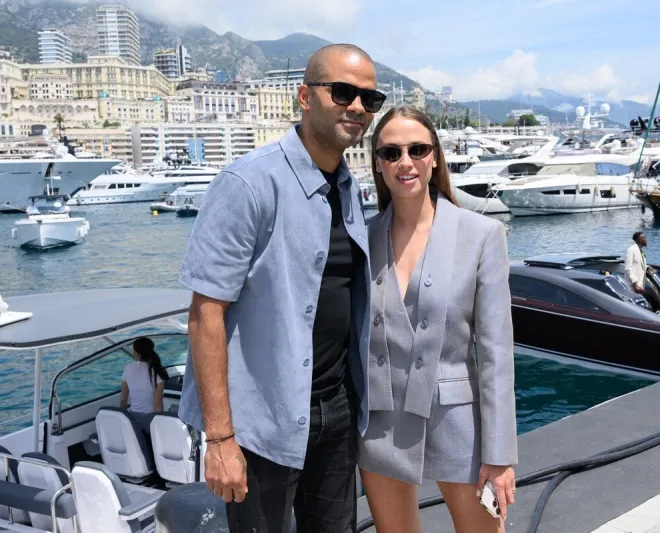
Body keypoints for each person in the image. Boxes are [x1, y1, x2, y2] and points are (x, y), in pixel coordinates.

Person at [178, 44, 384, 533]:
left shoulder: (348, 188)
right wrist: (220, 439)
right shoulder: (248, 184)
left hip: (336, 407)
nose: (357, 107)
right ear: (305, 97)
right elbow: (206, 314)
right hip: (260, 421)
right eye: (342, 92)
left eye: (370, 99)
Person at [358, 106, 517, 533]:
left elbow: (496, 355)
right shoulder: (362, 239)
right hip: (380, 425)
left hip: (458, 423)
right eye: (391, 152)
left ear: (434, 157)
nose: (405, 162)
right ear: (378, 163)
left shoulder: (481, 235)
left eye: (417, 149)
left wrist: (499, 454)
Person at [120, 337, 168, 431]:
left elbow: (123, 399)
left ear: (136, 353)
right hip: (150, 418)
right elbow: (157, 403)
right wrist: (160, 425)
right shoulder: (157, 371)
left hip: (133, 418)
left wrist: (123, 420)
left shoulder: (127, 368)